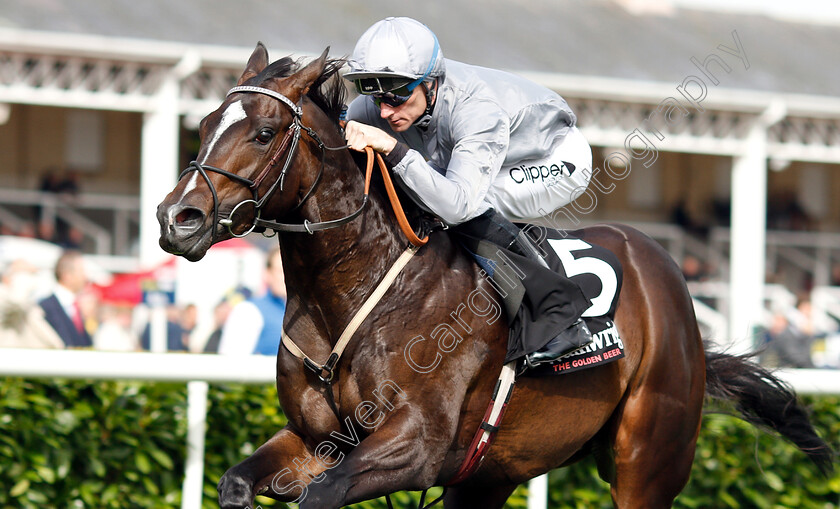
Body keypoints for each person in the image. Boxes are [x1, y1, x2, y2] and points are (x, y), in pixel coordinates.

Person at [343, 17, 593, 368]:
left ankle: (558, 316)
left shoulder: (477, 109)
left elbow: (458, 206)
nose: (384, 110)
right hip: (487, 155)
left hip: (553, 157)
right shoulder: (375, 108)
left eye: (397, 96)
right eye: (375, 95)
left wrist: (394, 150)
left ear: (430, 83)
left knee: (461, 207)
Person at [218, 248, 286, 356]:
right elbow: (231, 362)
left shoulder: (303, 313)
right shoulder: (248, 310)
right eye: (281, 271)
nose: (287, 277)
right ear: (267, 274)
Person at [38, 250, 93, 348]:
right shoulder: (45, 308)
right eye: (81, 271)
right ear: (67, 276)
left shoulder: (78, 307)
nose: (86, 277)